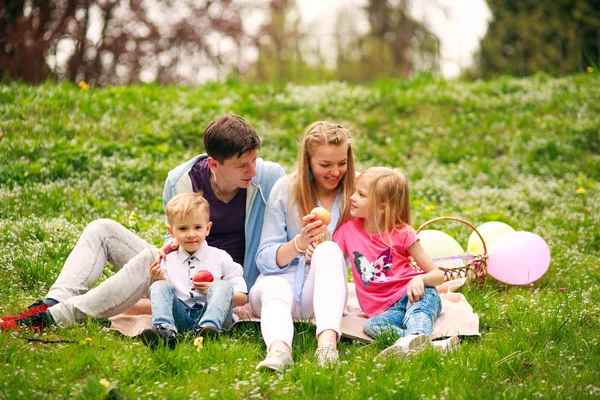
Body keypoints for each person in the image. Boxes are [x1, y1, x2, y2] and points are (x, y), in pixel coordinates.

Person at [1, 114, 285, 331]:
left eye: (254, 160)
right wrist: (166, 251)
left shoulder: (269, 177)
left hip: (228, 285)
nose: (252, 170)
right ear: (214, 164)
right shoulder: (182, 180)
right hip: (183, 273)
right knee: (102, 229)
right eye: (242, 165)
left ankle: (54, 318)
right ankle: (52, 303)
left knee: (152, 257)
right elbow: (179, 237)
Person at [249, 121, 355, 372]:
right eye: (325, 165)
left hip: (320, 295)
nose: (335, 172)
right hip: (275, 288)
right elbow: (264, 259)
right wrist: (299, 244)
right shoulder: (286, 189)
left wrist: (324, 247)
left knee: (329, 251)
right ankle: (279, 352)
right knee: (274, 285)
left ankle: (327, 348)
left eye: (342, 163)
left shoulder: (358, 190)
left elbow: (369, 245)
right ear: (307, 161)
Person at [331, 167, 460, 359]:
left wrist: (420, 280)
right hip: (384, 311)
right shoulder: (346, 231)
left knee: (419, 313)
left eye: (361, 194)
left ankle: (416, 337)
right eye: (355, 192)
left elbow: (438, 275)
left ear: (382, 206)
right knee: (372, 326)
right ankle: (428, 346)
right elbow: (330, 261)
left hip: (416, 295)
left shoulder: (403, 233)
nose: (352, 197)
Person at [140, 193, 247, 349]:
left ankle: (207, 331)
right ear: (171, 232)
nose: (191, 234)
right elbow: (158, 297)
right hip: (181, 317)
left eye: (197, 227)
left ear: (207, 228)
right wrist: (159, 280)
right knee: (159, 287)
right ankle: (165, 332)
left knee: (222, 285)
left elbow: (242, 298)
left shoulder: (220, 257)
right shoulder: (167, 260)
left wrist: (215, 289)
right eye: (183, 228)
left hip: (214, 315)